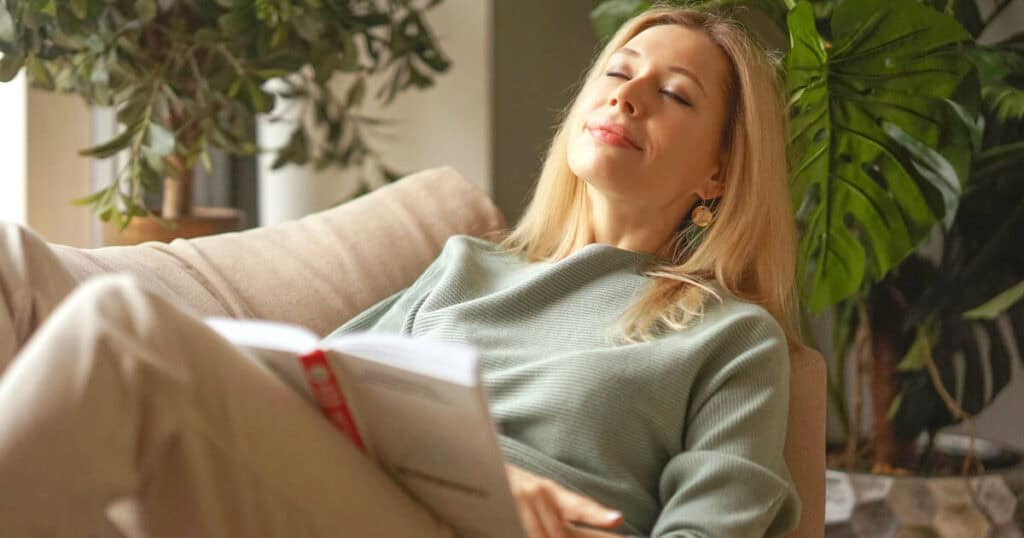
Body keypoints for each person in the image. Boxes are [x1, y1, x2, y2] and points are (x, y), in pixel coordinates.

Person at [0, 4, 802, 538]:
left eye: (676, 96)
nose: (629, 98)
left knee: (120, 329)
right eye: (619, 73)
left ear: (719, 172)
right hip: (362, 500)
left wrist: (507, 503)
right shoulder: (465, 267)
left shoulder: (732, 339)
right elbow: (322, 390)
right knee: (112, 334)